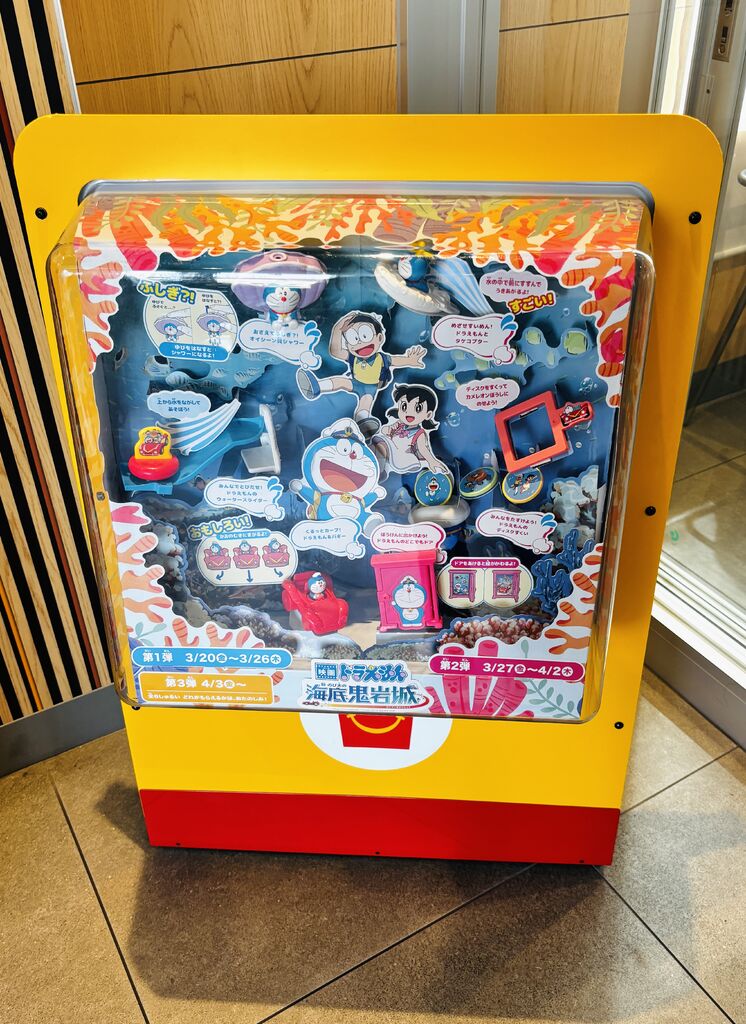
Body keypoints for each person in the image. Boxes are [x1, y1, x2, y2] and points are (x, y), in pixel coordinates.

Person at [296, 311, 426, 431]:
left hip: (370, 388)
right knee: (340, 381)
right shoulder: (353, 357)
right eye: (353, 338)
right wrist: (337, 329)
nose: (360, 343)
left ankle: (362, 425)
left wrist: (410, 360)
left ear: (379, 338)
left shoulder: (382, 358)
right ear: (348, 345)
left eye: (365, 335)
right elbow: (335, 351)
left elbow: (397, 360)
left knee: (365, 403)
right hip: (355, 382)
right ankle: (316, 387)